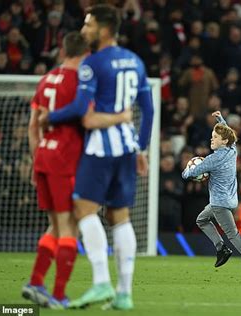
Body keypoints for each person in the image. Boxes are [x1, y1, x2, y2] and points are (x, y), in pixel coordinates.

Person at [38, 4, 154, 310]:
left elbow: (80, 110)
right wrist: (141, 148)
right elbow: (149, 109)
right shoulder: (135, 61)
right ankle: (124, 293)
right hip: (127, 146)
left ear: (103, 30)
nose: (84, 30)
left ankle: (101, 282)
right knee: (120, 216)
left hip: (100, 147)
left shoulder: (93, 64)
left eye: (88, 25)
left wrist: (51, 116)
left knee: (85, 209)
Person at [23, 31, 133, 309]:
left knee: (56, 225)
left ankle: (36, 282)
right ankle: (58, 294)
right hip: (66, 159)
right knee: (70, 226)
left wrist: (38, 157)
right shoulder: (80, 81)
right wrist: (121, 118)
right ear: (86, 54)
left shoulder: (47, 78)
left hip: (45, 157)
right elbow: (89, 119)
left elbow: (33, 125)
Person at [181, 111, 241, 284]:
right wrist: (220, 119)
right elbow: (229, 132)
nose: (211, 139)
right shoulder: (232, 150)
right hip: (228, 199)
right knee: (202, 220)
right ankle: (221, 248)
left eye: (215, 137)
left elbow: (190, 173)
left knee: (233, 234)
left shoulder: (213, 159)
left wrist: (186, 169)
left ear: (224, 141)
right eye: (212, 136)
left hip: (219, 203)